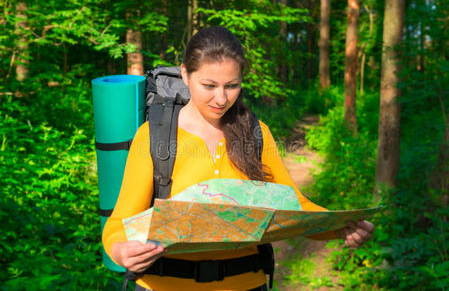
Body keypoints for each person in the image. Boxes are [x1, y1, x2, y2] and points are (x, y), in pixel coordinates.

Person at [102, 26, 374, 291]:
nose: (221, 98)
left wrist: (340, 226)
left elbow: (296, 209)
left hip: (246, 284)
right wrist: (120, 250)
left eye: (232, 86)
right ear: (185, 74)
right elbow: (118, 224)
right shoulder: (155, 135)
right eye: (209, 85)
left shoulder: (256, 132)